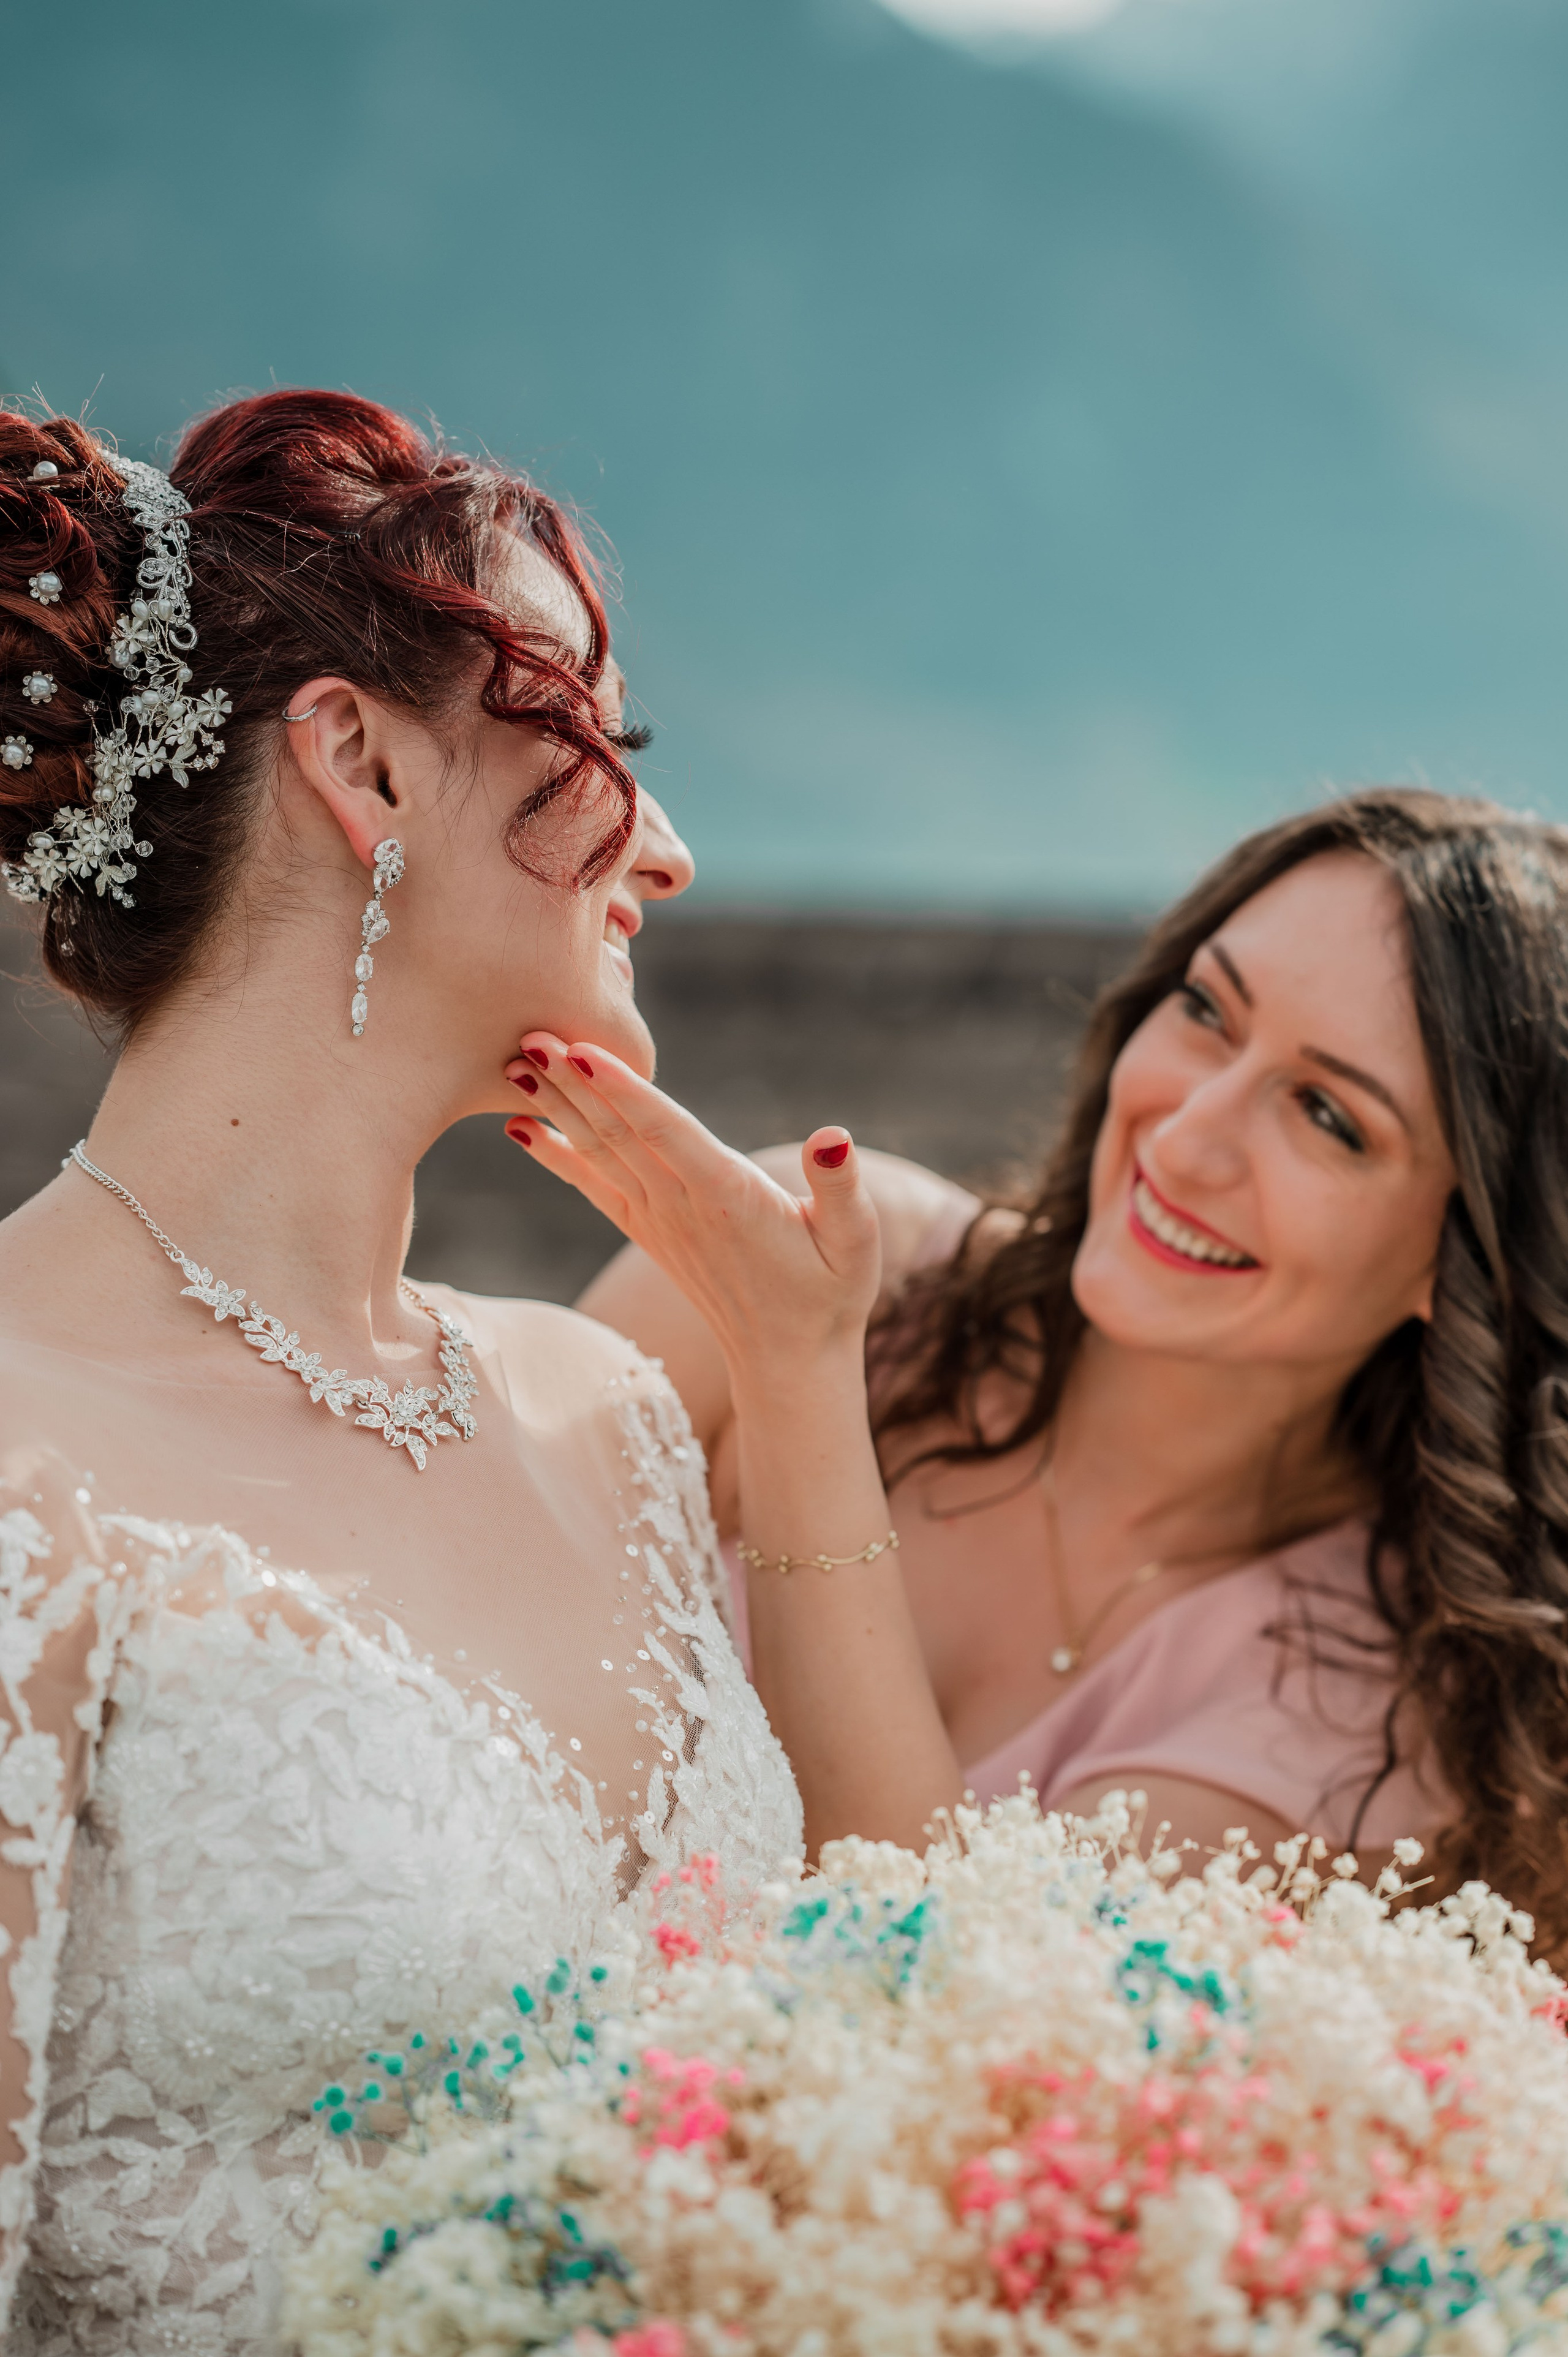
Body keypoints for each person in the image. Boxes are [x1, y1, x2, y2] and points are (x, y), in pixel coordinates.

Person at [0, 390, 827, 2351]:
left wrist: (806, 1375)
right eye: (601, 747)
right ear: (359, 762)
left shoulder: (608, 1413)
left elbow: (883, 1999)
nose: (675, 854)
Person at [562, 790, 1568, 1962]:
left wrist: (799, 1383)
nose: (1185, 1136)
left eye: (1327, 1116)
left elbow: (922, 1978)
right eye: (1207, 1011)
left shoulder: (1356, 1720)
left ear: (1470, 1265)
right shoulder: (836, 1249)